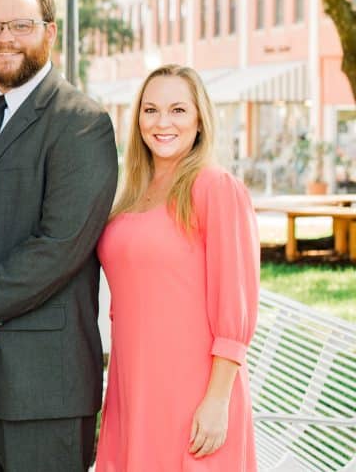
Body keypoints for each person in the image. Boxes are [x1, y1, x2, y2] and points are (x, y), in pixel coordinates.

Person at [0, 0, 118, 471]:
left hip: (41, 389)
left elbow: (57, 248)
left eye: (20, 24)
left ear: (50, 32)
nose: (5, 39)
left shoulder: (81, 122)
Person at [95, 64, 259, 470]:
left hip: (193, 390)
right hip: (132, 386)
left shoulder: (215, 187)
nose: (162, 122)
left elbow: (235, 307)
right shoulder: (133, 194)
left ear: (200, 118)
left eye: (178, 110)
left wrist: (217, 400)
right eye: (150, 110)